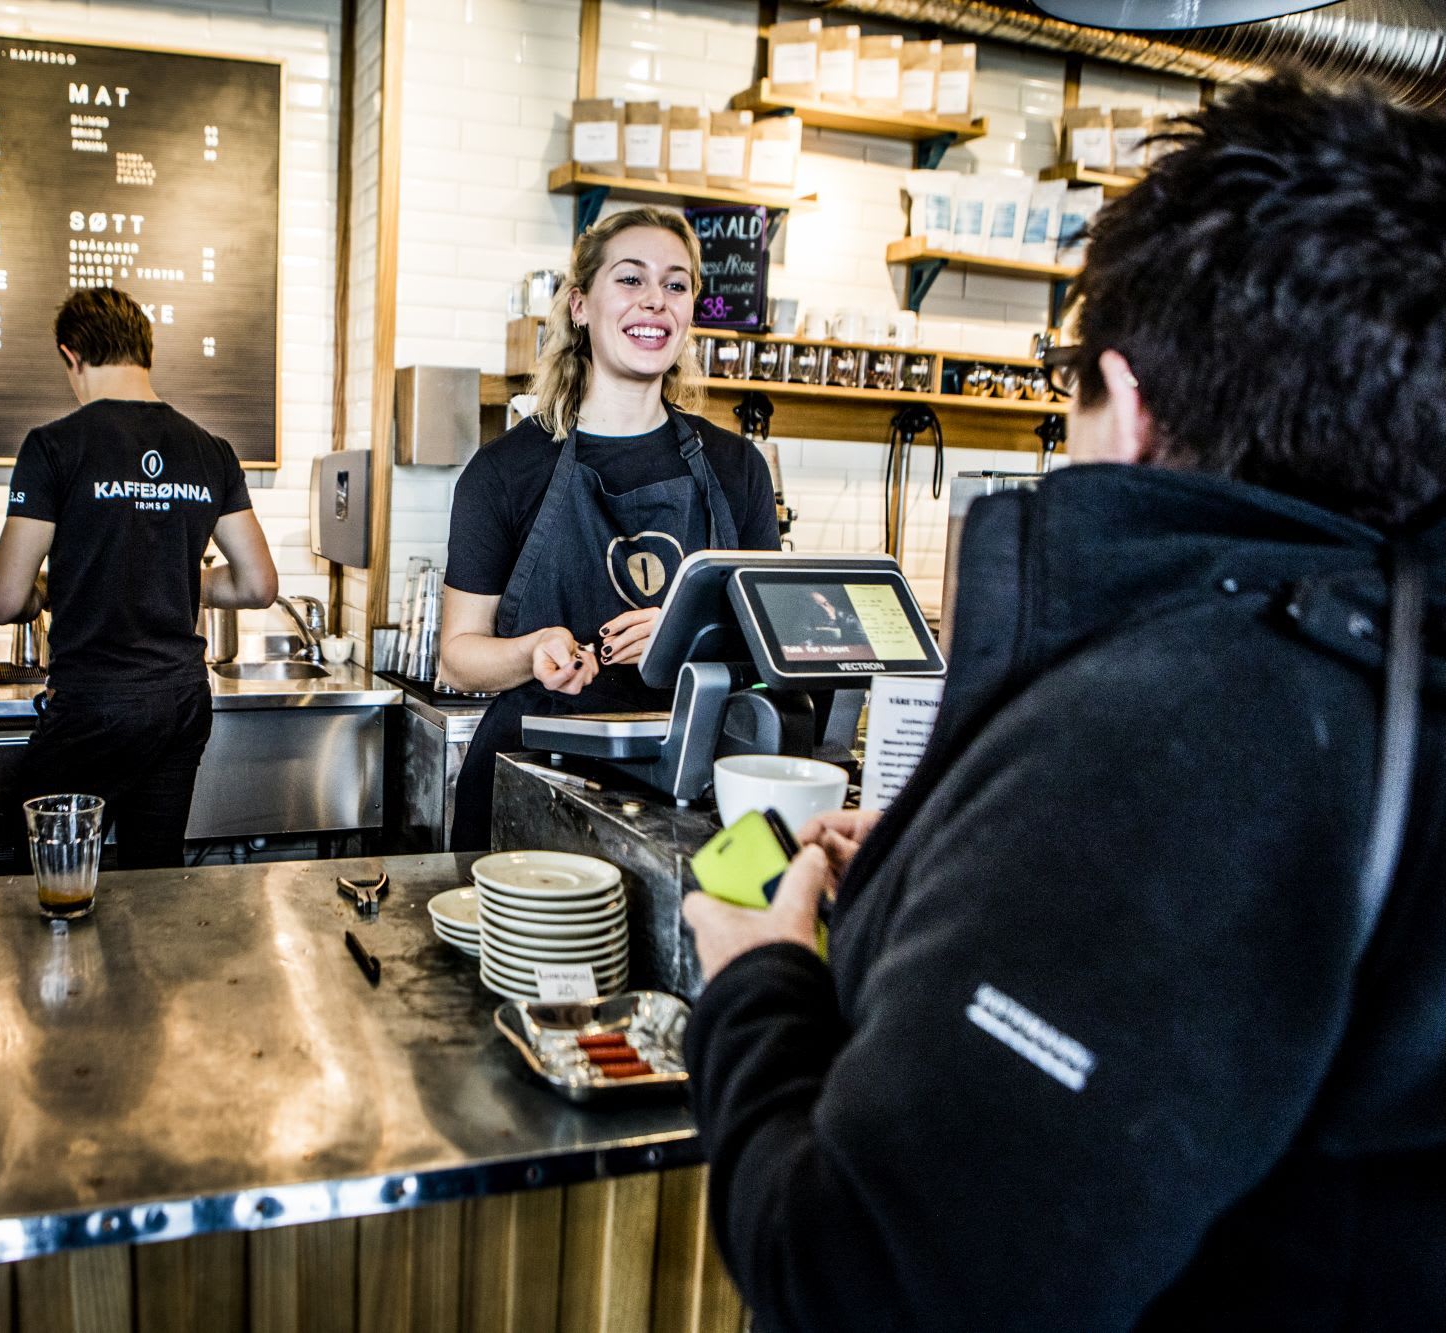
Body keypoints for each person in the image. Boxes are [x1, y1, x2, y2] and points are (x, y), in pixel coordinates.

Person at [680, 76, 1446, 1331]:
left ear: (1126, 404)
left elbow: (862, 1281)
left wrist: (755, 974)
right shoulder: (1383, 681)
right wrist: (968, 882)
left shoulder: (1180, 724)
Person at [439, 207, 783, 850]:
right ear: (580, 306)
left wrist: (690, 634)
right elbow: (458, 655)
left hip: (688, 784)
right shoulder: (505, 470)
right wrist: (530, 652)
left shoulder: (738, 469)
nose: (655, 300)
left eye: (675, 285)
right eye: (630, 279)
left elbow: (779, 647)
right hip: (530, 778)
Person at [0, 287, 278, 869]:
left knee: (49, 878)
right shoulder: (211, 450)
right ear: (145, 350)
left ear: (72, 356)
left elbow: (5, 598)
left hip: (94, 703)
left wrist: (54, 590)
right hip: (181, 701)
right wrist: (175, 579)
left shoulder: (52, 447)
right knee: (155, 878)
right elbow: (256, 586)